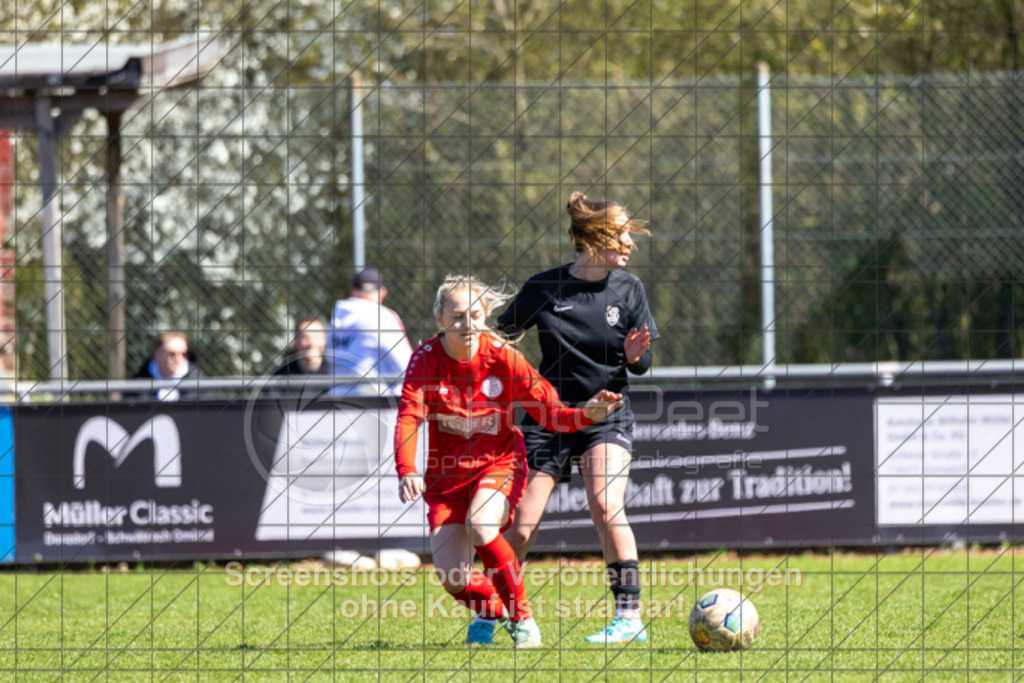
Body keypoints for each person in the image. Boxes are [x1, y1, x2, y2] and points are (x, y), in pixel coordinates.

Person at [394, 274, 624, 648]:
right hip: (445, 480)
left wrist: (588, 415)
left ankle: (523, 621)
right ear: (440, 320)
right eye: (456, 317)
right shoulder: (425, 361)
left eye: (473, 315)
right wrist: (407, 469)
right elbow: (408, 417)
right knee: (454, 578)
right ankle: (493, 609)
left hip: (498, 464)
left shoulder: (504, 358)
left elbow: (553, 414)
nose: (465, 324)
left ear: (484, 316)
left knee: (482, 526)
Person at [497, 191, 659, 645]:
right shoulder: (543, 289)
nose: (630, 242)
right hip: (547, 417)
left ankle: (629, 619)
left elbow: (643, 365)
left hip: (606, 416)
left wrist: (634, 358)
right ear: (591, 238)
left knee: (606, 507)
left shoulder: (629, 288)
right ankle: (499, 612)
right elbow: (500, 341)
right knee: (522, 524)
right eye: (621, 233)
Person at [329, 267, 414, 395]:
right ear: (383, 292)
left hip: (337, 399)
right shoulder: (381, 316)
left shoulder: (336, 318)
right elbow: (406, 365)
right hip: (374, 404)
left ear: (352, 292)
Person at [131, 331, 205, 401]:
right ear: (156, 355)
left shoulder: (198, 383)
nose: (178, 359)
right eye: (172, 354)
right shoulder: (140, 381)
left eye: (183, 354)